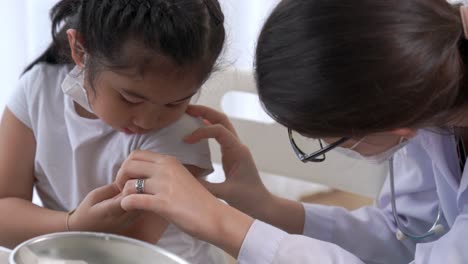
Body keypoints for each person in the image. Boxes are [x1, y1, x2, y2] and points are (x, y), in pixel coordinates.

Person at [114, 0, 468, 263]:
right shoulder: (427, 73)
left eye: (325, 139)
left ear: (397, 127)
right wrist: (265, 207)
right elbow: (402, 238)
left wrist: (222, 223)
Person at [0, 0, 227, 263]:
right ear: (80, 50)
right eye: (130, 99)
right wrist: (72, 225)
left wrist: (73, 229)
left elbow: (126, 250)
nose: (148, 119)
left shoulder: (181, 135)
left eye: (175, 102)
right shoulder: (37, 91)